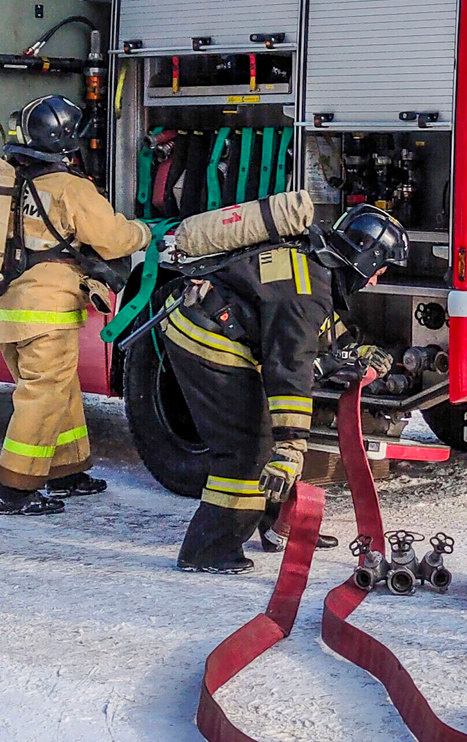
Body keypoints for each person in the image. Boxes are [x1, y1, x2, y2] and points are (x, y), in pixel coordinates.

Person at [168, 204, 409, 573]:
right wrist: (292, 446)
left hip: (221, 324)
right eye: (380, 268)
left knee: (264, 439)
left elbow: (310, 324)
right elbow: (290, 371)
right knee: (248, 447)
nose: (376, 279)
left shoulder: (314, 262)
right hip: (206, 338)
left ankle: (277, 525)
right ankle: (208, 549)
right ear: (365, 258)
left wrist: (353, 350)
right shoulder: (308, 287)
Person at [0, 95, 152, 516]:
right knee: (43, 394)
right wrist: (144, 231)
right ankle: (15, 490)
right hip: (47, 311)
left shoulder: (16, 183)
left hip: (10, 307)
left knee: (60, 389)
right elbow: (112, 239)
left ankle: (66, 469)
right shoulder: (71, 188)